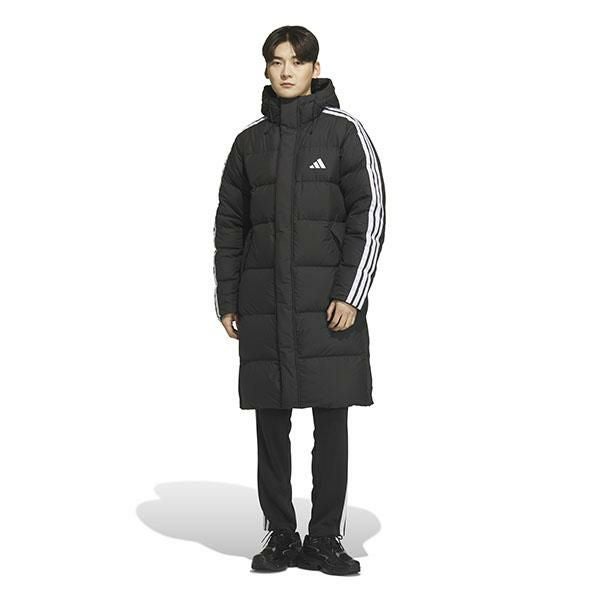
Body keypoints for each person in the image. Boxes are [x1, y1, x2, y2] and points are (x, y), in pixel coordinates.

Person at [213, 25, 386, 576]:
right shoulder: (249, 143)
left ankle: (326, 538)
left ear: (315, 68)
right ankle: (281, 536)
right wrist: (228, 298)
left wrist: (350, 294)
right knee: (271, 423)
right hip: (264, 306)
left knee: (331, 423)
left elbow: (369, 216)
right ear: (266, 68)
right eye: (276, 61)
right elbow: (230, 225)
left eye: (296, 61)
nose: (286, 71)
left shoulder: (344, 133)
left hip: (327, 309)